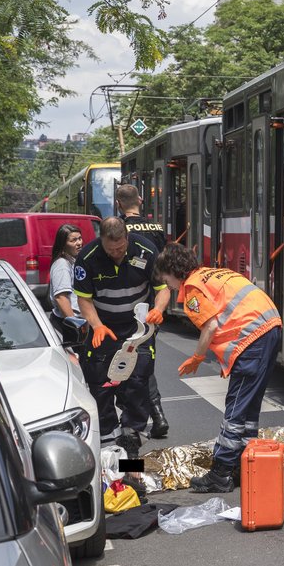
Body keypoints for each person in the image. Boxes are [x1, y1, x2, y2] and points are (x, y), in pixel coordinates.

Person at [153, 242, 282, 493]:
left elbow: (210, 326)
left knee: (235, 408)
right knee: (249, 405)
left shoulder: (192, 289)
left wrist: (198, 357)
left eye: (165, 278)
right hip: (270, 327)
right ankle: (244, 465)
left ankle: (221, 472)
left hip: (251, 337)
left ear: (173, 271)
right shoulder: (215, 272)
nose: (166, 284)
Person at [73, 217, 169, 457]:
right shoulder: (88, 257)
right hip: (103, 329)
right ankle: (109, 458)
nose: (116, 253)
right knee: (101, 386)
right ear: (101, 241)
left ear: (127, 237)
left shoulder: (146, 250)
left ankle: (132, 458)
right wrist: (96, 326)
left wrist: (158, 309)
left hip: (139, 330)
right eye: (110, 249)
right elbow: (83, 299)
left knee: (137, 385)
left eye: (120, 248)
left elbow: (162, 288)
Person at [116, 183, 170, 438]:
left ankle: (142, 420)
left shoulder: (117, 229)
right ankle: (155, 414)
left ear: (119, 204)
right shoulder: (157, 228)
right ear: (140, 199)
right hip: (153, 303)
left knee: (132, 362)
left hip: (126, 305)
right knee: (143, 360)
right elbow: (165, 264)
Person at [48, 223, 84, 346]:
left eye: (79, 238)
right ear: (63, 244)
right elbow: (61, 297)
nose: (79, 243)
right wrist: (75, 326)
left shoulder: (73, 261)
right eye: (73, 240)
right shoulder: (62, 264)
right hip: (67, 325)